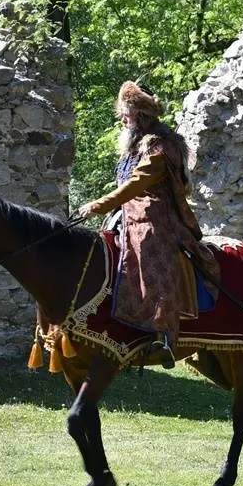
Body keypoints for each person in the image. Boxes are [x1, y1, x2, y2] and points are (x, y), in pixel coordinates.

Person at [78, 80, 219, 368]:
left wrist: (96, 205)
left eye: (127, 115)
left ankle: (164, 335)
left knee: (151, 251)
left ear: (140, 117)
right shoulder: (133, 144)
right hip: (127, 211)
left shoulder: (160, 146)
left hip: (158, 217)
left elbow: (136, 184)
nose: (122, 119)